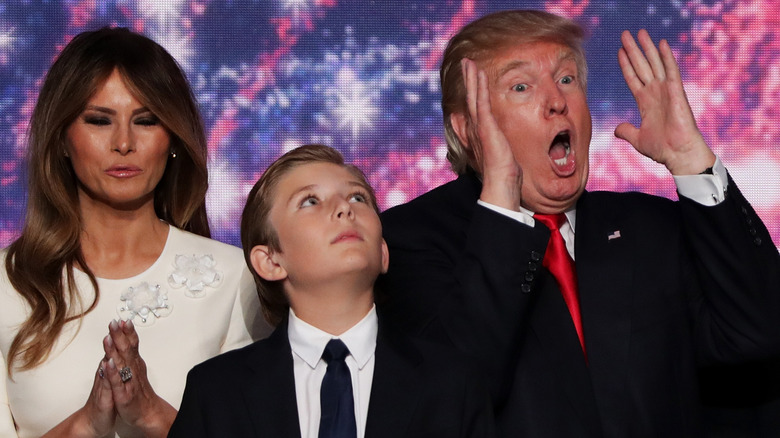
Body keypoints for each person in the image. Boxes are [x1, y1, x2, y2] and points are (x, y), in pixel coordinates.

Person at [378, 9, 780, 438]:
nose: (557, 101)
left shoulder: (650, 226)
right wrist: (502, 196)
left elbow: (759, 334)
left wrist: (689, 159)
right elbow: (453, 397)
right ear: (467, 128)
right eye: (521, 87)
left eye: (567, 79)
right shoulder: (408, 242)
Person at [0, 28, 271, 438]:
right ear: (61, 139)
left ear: (173, 139)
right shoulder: (6, 282)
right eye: (99, 120)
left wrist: (151, 415)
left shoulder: (235, 278)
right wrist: (86, 425)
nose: (123, 143)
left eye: (146, 121)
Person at [168, 144, 495, 438]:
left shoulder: (453, 382)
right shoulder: (216, 392)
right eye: (310, 201)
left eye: (358, 197)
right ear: (269, 261)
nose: (344, 209)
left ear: (383, 252)